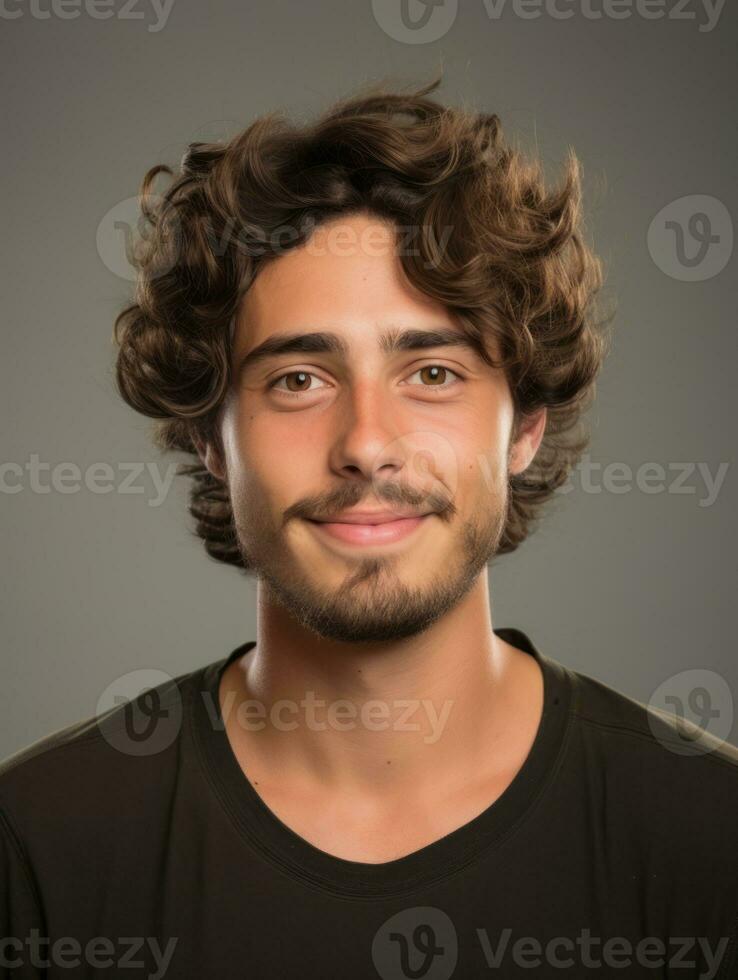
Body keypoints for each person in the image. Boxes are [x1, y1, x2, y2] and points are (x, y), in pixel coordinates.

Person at [2, 74, 737, 979]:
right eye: (298, 380)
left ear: (526, 428)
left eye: (432, 373)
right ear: (212, 441)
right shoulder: (39, 847)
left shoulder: (709, 837)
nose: (366, 445)